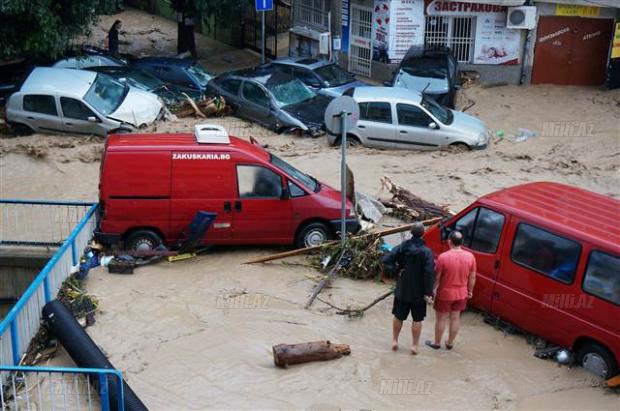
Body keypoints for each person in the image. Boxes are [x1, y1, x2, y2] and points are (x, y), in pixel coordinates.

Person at [382, 222, 434, 355]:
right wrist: (429, 291)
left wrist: (397, 269)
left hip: (402, 288)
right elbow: (429, 272)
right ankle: (414, 346)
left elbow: (386, 259)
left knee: (398, 316)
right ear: (423, 233)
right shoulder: (427, 252)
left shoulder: (402, 247)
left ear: (411, 232)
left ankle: (394, 341)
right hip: (419, 291)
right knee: (417, 319)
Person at [426, 230, 476, 350]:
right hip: (462, 293)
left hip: (445, 294)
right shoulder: (470, 257)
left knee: (441, 318)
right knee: (455, 318)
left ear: (449, 242)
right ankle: (449, 343)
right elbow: (472, 276)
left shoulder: (443, 257)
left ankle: (437, 343)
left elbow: (437, 278)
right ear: (462, 242)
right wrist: (470, 291)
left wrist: (431, 291)